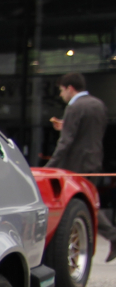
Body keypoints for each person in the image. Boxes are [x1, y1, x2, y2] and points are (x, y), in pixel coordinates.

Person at [47, 72, 113, 261]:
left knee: (80, 206)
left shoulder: (74, 107)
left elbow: (66, 142)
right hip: (94, 160)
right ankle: (111, 236)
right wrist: (66, 125)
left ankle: (112, 235)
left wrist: (50, 165)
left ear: (70, 88)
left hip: (76, 164)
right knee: (88, 203)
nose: (61, 95)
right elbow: (89, 132)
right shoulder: (98, 104)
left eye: (61, 90)